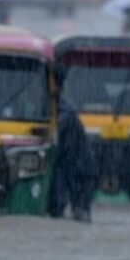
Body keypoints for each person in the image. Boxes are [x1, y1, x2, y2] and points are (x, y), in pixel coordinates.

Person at [48, 68, 97, 223]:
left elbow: (53, 133)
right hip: (68, 168)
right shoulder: (52, 106)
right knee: (58, 210)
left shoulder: (64, 110)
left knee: (78, 212)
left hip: (80, 171)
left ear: (56, 86)